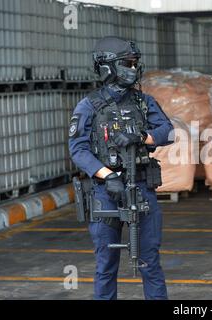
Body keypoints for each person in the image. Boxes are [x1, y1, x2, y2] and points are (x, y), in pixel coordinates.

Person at [68, 36, 174, 300]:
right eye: (127, 63)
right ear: (108, 67)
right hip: (106, 191)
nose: (133, 68)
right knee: (106, 263)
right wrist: (108, 175)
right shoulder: (89, 105)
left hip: (142, 187)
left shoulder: (143, 101)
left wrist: (141, 137)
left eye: (135, 62)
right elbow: (78, 149)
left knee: (150, 261)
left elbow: (168, 133)